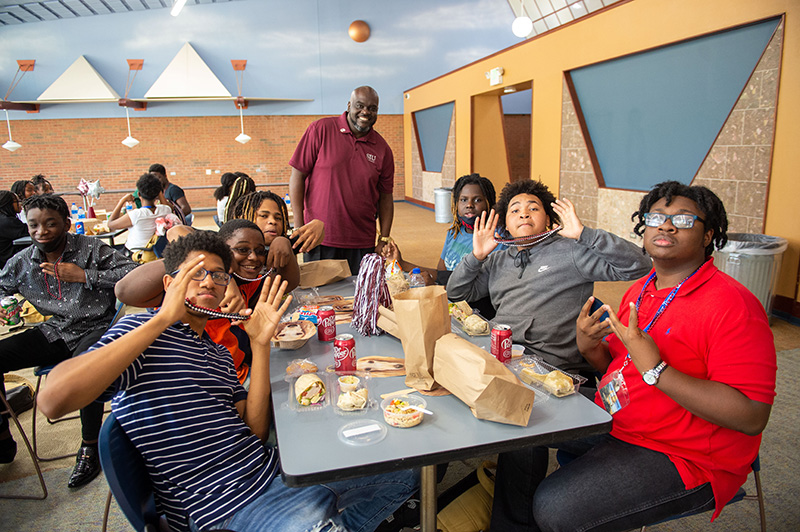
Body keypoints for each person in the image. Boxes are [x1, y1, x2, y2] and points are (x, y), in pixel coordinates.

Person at [38, 231, 418, 532]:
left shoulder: (218, 353)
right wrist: (160, 318)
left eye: (218, 275)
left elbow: (253, 432)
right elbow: (53, 400)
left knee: (413, 470)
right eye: (195, 273)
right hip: (221, 504)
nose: (210, 282)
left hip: (272, 471)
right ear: (170, 282)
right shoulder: (142, 333)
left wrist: (260, 344)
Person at [490, 181, 777, 531]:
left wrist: (657, 369)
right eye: (656, 216)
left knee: (554, 507)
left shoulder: (733, 305)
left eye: (684, 220)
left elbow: (751, 416)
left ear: (708, 235)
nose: (667, 225)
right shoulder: (640, 292)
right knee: (521, 419)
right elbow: (621, 369)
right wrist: (589, 348)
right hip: (622, 419)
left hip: (685, 454)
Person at [0, 194, 136, 487]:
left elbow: (134, 273)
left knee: (83, 369)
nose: (41, 231)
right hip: (55, 331)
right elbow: (1, 286)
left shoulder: (90, 248)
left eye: (50, 224)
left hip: (96, 326)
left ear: (66, 224)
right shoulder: (22, 262)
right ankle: (1, 431)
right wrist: (3, 302)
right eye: (34, 225)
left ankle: (89, 446)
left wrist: (85, 275)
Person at [447, 179, 652, 372]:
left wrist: (585, 234)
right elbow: (456, 293)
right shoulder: (497, 260)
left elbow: (639, 265)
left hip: (547, 367)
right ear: (506, 224)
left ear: (547, 219)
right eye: (515, 210)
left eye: (533, 208)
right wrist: (477, 257)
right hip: (499, 354)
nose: (524, 214)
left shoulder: (572, 252)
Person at [115, 220, 274, 386]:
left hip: (234, 377)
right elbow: (124, 290)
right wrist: (193, 261)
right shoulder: (181, 293)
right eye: (198, 271)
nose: (208, 282)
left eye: (217, 274)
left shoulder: (242, 284)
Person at [289, 85, 394, 274]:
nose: (365, 112)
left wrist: (384, 238)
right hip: (320, 239)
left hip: (362, 242)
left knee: (358, 298)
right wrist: (299, 227)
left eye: (372, 108)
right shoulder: (320, 130)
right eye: (360, 105)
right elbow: (298, 176)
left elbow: (386, 196)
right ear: (349, 105)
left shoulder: (382, 149)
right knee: (320, 299)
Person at [232, 191, 301, 292]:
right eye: (264, 216)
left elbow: (289, 284)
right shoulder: (231, 249)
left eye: (278, 218)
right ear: (244, 216)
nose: (273, 221)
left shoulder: (283, 245)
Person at [108, 173, 172, 253]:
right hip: (156, 253)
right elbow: (166, 205)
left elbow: (110, 224)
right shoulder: (165, 210)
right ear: (158, 194)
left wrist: (122, 201)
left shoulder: (136, 215)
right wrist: (159, 193)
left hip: (135, 254)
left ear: (138, 194)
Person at [0, 192, 28, 268]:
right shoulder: (8, 222)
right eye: (17, 201)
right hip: (11, 261)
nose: (20, 204)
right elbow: (29, 230)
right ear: (8, 204)